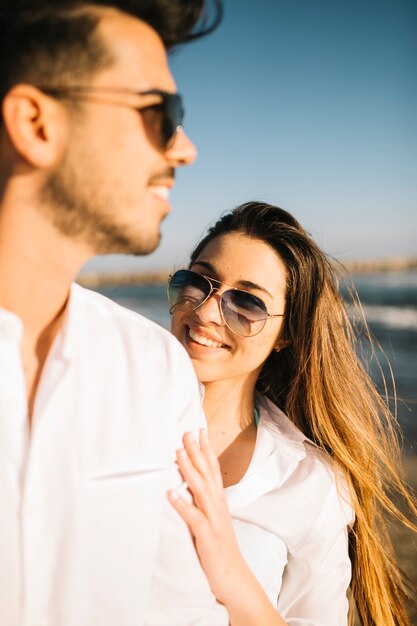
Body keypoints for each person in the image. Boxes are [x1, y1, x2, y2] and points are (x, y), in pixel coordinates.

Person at [0, 2, 229, 625]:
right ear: (36, 123)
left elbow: (180, 611)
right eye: (162, 115)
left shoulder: (153, 369)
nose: (185, 148)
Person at [167, 201, 417, 626]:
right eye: (198, 282)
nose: (206, 312)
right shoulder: (108, 411)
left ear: (287, 334)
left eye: (246, 302)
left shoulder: (308, 483)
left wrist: (229, 570)